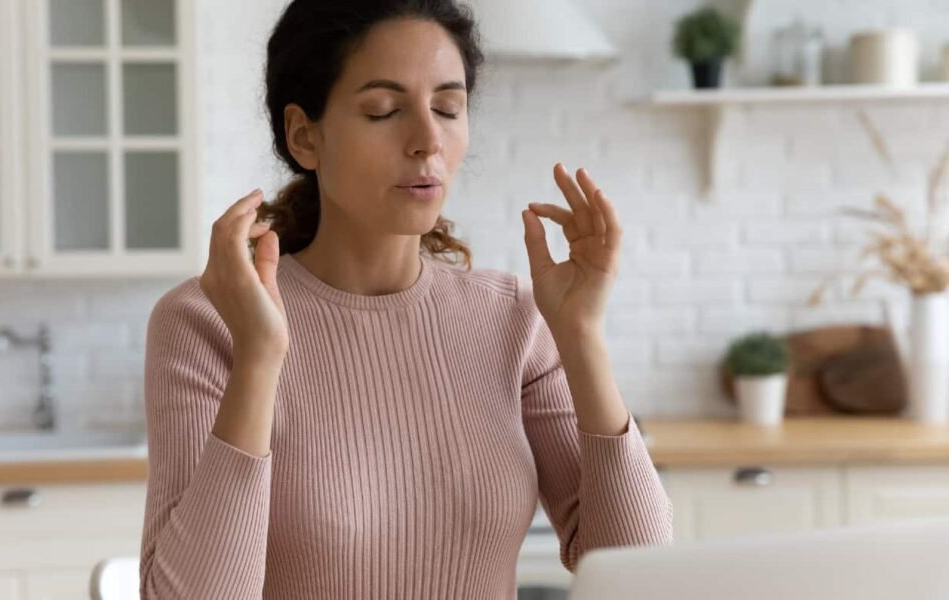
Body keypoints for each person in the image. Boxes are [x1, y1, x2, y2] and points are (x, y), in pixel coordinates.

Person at [138, 1, 673, 598]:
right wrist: (260, 357)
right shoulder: (208, 321)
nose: (427, 140)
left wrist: (581, 337)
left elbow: (641, 572)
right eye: (384, 111)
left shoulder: (512, 319)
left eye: (448, 108)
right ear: (304, 136)